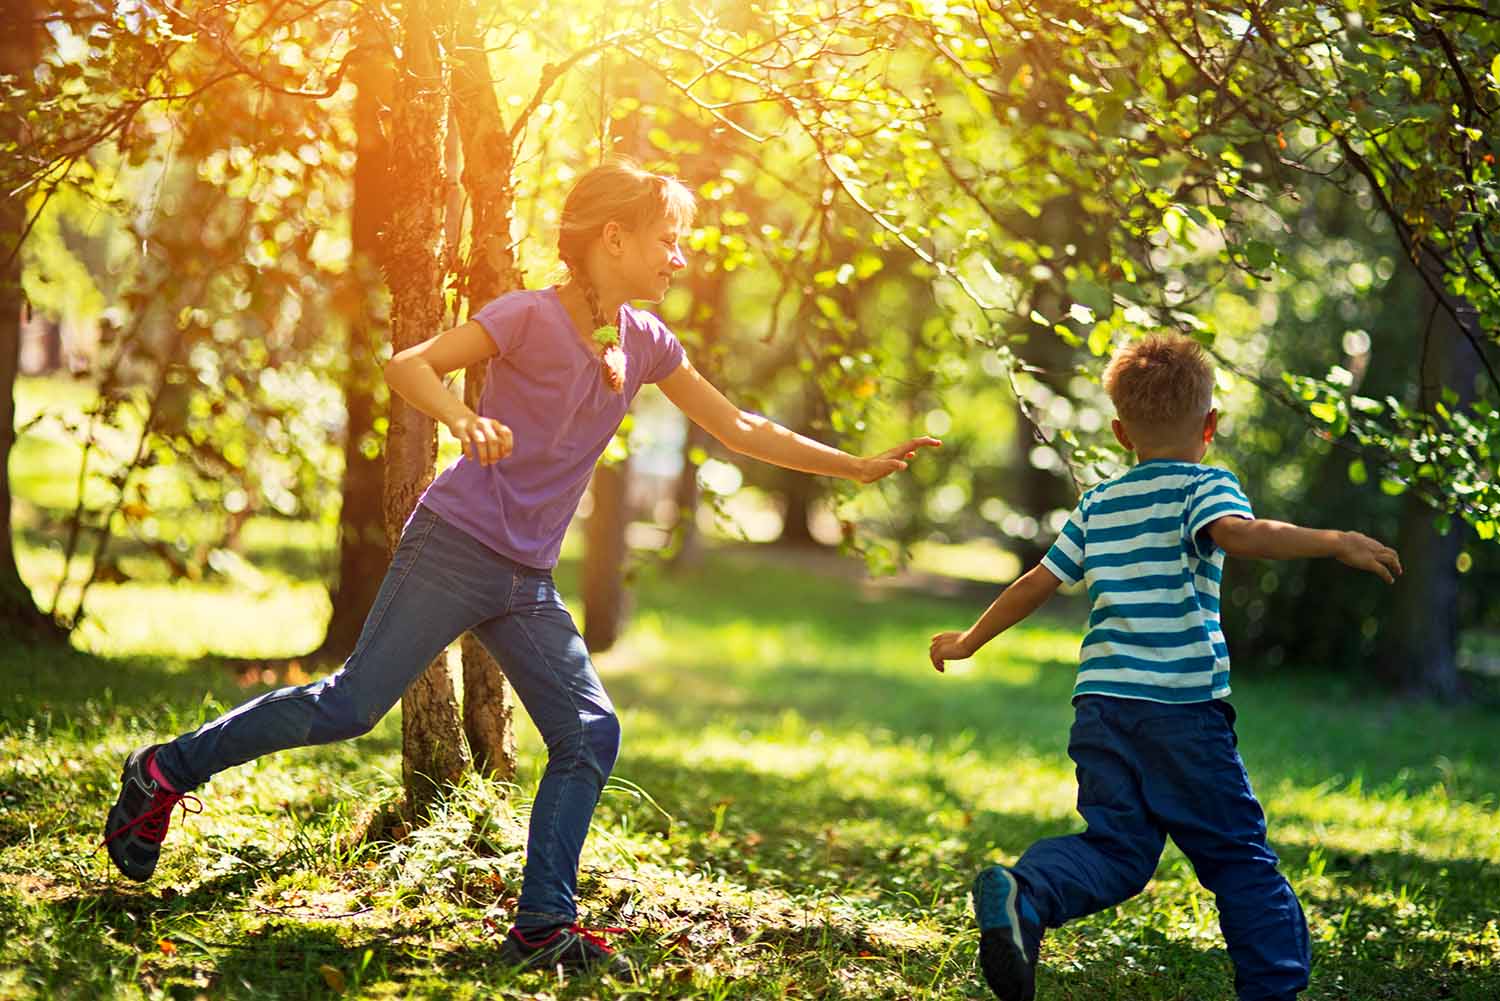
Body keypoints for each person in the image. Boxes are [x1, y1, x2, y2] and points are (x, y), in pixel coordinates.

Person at [101, 159, 940, 975]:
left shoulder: (644, 341)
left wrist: (855, 467)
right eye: (667, 240)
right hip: (456, 545)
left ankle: (543, 923)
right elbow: (410, 365)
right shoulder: (527, 316)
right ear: (613, 238)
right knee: (351, 705)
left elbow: (741, 427)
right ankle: (163, 770)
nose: (677, 258)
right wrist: (462, 416)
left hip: (525, 579)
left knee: (588, 733)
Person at [927, 334, 1402, 1001]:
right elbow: (1242, 533)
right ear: (1210, 424)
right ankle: (1274, 989)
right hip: (1182, 709)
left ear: (1121, 432)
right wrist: (1334, 541)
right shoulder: (1207, 486)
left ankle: (1026, 891)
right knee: (1237, 856)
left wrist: (971, 639)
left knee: (1118, 850)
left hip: (1102, 710)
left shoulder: (1098, 504)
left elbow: (1038, 580)